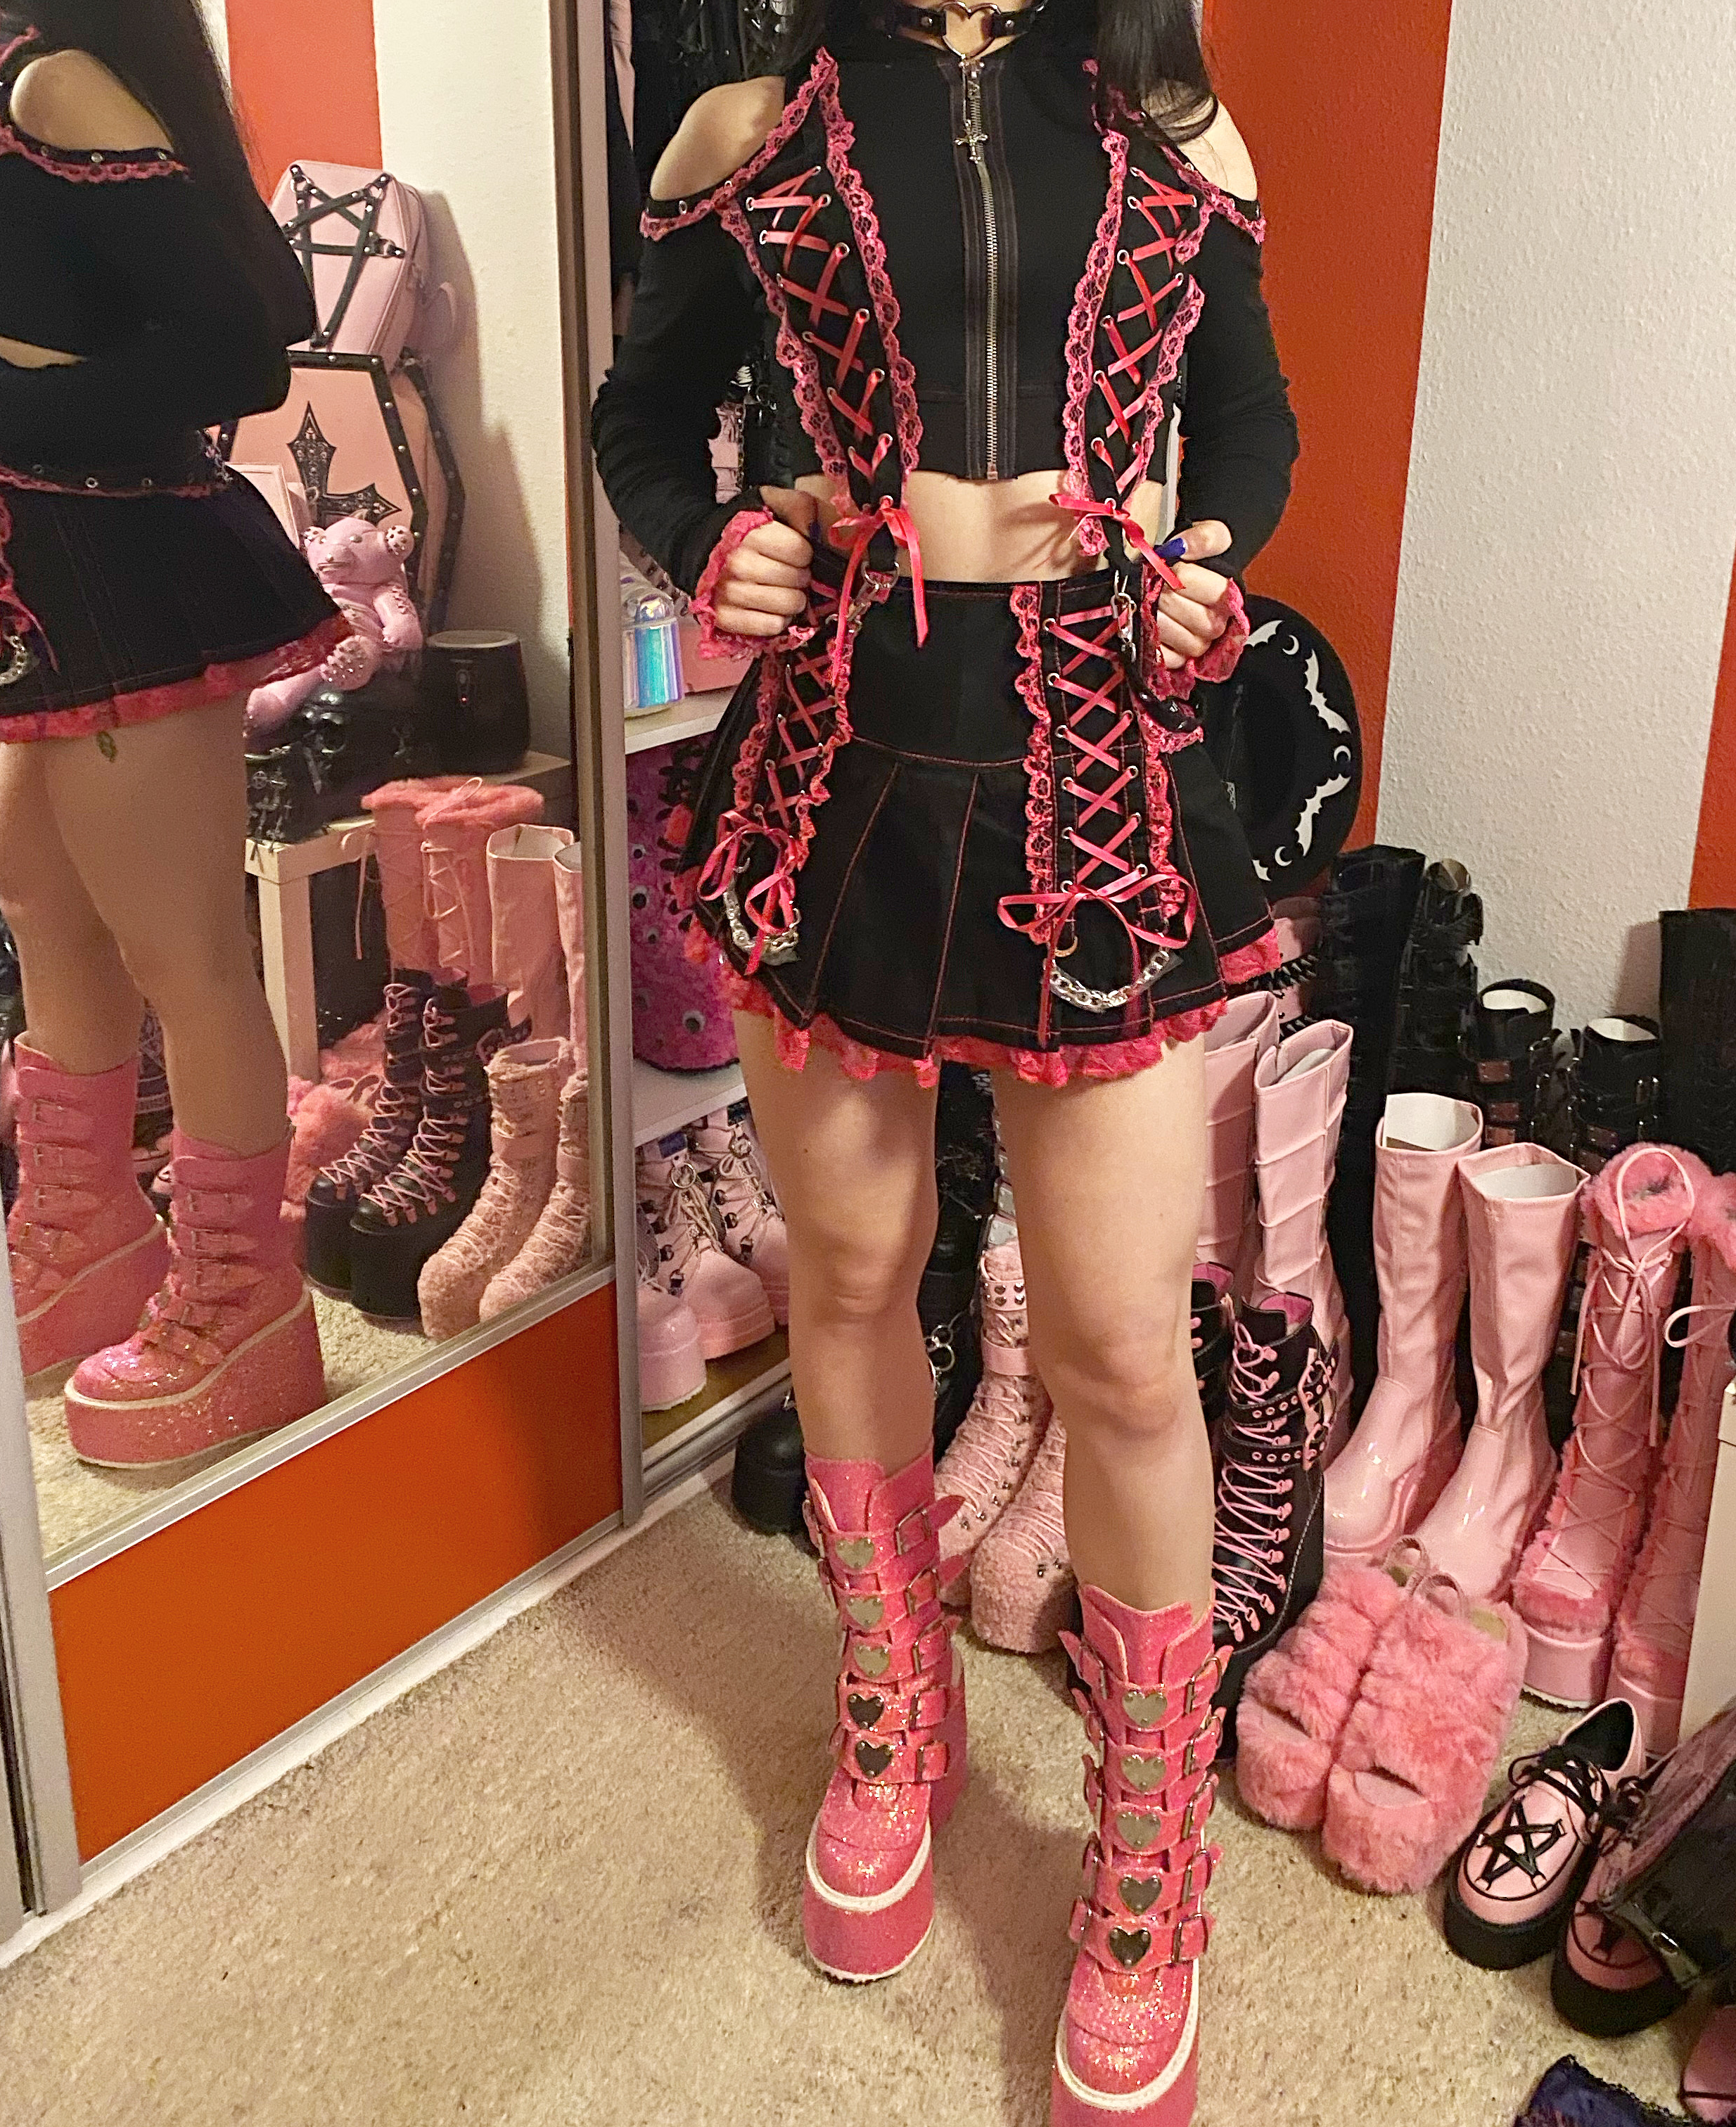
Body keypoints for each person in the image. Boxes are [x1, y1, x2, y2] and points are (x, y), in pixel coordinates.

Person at [593, 1, 1296, 2117]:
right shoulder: (751, 127)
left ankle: (1150, 1848)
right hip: (833, 777)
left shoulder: (1174, 127)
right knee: (847, 1273)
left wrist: (1207, 569)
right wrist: (714, 540)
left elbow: (1250, 427)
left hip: (1099, 785)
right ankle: (897, 1707)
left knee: (1123, 1352)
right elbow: (645, 417)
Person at [0, 1, 344, 1466]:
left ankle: (247, 1300)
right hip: (36, 585)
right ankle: (88, 1230)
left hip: (115, 570)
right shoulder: (16, 83)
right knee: (45, 902)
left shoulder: (55, 84)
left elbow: (240, 350)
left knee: (183, 950)